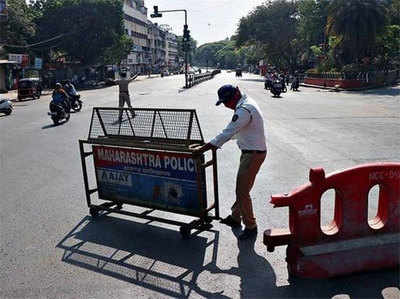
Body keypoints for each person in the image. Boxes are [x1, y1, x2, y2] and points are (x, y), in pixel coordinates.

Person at [191, 85, 267, 240]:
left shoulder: (244, 109)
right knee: (242, 188)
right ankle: (235, 216)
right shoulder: (246, 103)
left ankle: (251, 226)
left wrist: (203, 148)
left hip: (253, 154)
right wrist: (215, 143)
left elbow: (228, 132)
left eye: (227, 101)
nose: (226, 105)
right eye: (224, 102)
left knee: (242, 191)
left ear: (236, 94)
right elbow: (236, 132)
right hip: (250, 152)